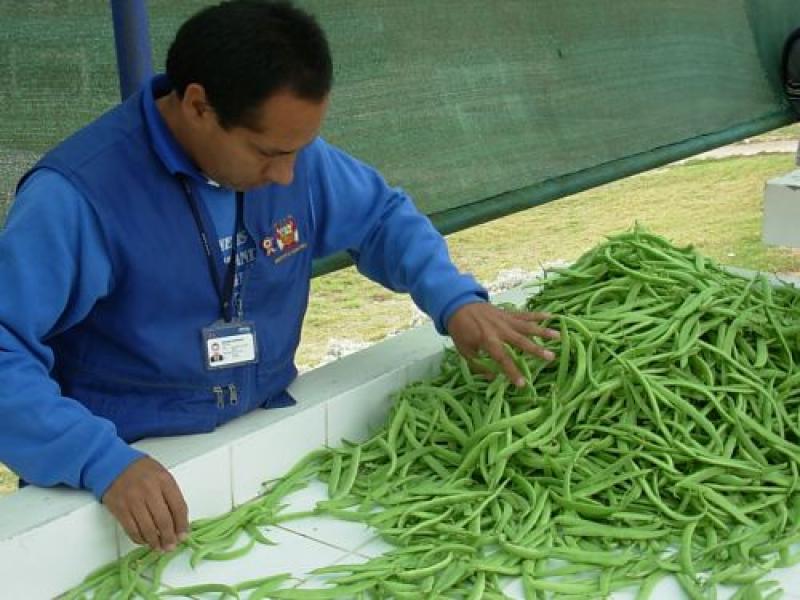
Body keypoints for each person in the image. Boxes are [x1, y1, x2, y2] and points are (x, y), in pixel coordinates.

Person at [0, 0, 559, 553]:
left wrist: (455, 301)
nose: (288, 174)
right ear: (198, 106)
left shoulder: (296, 162)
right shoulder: (77, 198)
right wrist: (100, 460)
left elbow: (382, 219)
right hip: (122, 486)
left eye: (301, 148)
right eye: (269, 152)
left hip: (258, 445)